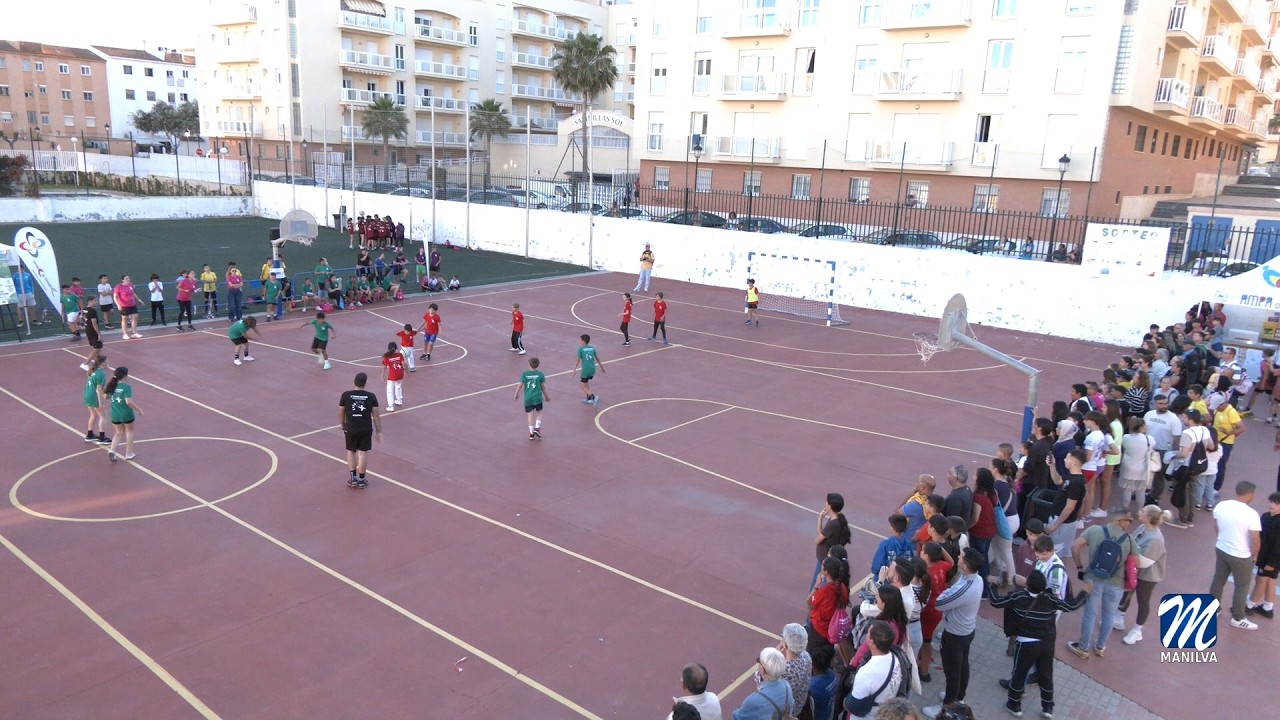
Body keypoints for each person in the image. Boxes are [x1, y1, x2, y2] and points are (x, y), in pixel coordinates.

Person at [989, 570, 1087, 719]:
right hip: (1047, 643)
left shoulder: (1019, 597)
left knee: (1019, 674)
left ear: (1027, 584)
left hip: (1026, 643)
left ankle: (1014, 705)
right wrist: (1084, 593)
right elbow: (1070, 606)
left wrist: (992, 585)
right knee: (1046, 675)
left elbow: (996, 602)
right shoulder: (1050, 599)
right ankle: (1047, 707)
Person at [1067, 507, 1140, 659]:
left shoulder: (1094, 530)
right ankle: (1100, 647)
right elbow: (1137, 563)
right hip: (1116, 583)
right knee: (1109, 616)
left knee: (1089, 614)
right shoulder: (1129, 539)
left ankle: (1083, 648)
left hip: (1092, 579)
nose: (1130, 523)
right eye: (1129, 520)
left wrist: (1080, 567)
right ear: (1120, 521)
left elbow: (1075, 546)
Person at [921, 547, 984, 718]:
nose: (959, 557)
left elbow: (940, 603)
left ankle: (947, 707)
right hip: (967, 631)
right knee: (962, 665)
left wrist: (946, 592)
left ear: (966, 565)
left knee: (952, 673)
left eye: (961, 556)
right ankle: (959, 697)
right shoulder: (976, 579)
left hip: (955, 634)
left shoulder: (965, 587)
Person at [1210, 481, 1263, 630]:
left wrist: (1222, 539)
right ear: (1250, 494)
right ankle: (1238, 618)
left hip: (1222, 548)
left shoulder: (1222, 505)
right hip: (1241, 555)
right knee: (1242, 586)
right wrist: (1254, 555)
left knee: (1218, 580)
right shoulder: (1252, 514)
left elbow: (1216, 526)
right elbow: (1255, 540)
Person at [1117, 505, 1171, 644]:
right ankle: (1119, 617)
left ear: (1148, 518)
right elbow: (1132, 541)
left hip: (1148, 574)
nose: (1139, 512)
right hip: (1135, 567)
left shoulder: (1155, 539)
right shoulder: (1143, 527)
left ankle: (1137, 630)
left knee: (1143, 600)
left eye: (1143, 511)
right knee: (1127, 591)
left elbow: (1143, 562)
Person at [845, 621, 902, 718]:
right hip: (884, 712)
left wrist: (845, 703)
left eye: (868, 632)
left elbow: (853, 706)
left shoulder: (866, 672)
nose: (866, 634)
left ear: (871, 642)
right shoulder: (895, 659)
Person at [754, 623, 810, 717]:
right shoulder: (806, 656)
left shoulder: (783, 671)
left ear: (785, 645)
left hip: (784, 712)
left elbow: (760, 679)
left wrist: (773, 655)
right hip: (799, 703)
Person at [338, 372, 382, 489]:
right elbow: (376, 416)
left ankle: (353, 478)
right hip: (365, 428)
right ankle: (362, 479)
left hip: (351, 428)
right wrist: (379, 431)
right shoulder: (371, 396)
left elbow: (341, 411)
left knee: (351, 451)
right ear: (365, 383)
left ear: (354, 382)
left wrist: (342, 424)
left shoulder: (346, 395)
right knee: (362, 453)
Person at [732, 648, 793, 720]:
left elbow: (737, 717)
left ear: (763, 669)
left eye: (759, 661)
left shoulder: (753, 700)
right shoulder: (786, 686)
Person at [1046, 449, 1086, 555]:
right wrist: (1052, 466)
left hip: (1063, 523)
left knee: (1057, 551)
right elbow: (1058, 480)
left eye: (1067, 458)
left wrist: (1055, 525)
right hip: (1059, 519)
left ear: (1074, 462)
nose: (1064, 460)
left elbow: (1069, 507)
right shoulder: (1071, 475)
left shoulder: (1076, 483)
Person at [1247, 491, 1280, 619]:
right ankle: (1268, 607)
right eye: (1271, 502)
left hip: (1271, 559)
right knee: (1270, 580)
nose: (1272, 505)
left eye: (1276, 503)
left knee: (1260, 580)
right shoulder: (1266, 516)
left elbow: (1278, 546)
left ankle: (1249, 606)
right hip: (1266, 556)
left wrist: (1271, 563)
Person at [812, 493, 852, 589]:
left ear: (829, 506)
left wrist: (820, 519)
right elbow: (822, 534)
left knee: (816, 587)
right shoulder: (837, 519)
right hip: (829, 558)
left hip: (825, 560)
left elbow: (817, 540)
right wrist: (821, 519)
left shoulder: (832, 524)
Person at [1118, 417, 1156, 510]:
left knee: (1127, 490)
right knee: (1141, 491)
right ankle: (1139, 511)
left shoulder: (1126, 438)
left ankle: (1125, 510)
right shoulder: (1149, 439)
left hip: (1128, 468)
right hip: (1143, 468)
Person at [104, 366, 141, 462]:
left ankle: (112, 450)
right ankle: (129, 453)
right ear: (125, 376)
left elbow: (105, 397)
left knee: (118, 432)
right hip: (126, 413)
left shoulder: (111, 385)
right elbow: (128, 402)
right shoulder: (126, 387)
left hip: (114, 413)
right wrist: (139, 409)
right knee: (129, 431)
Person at [516, 356, 549, 440]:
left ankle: (531, 433)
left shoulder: (524, 374)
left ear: (529, 364)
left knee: (530, 414)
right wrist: (546, 396)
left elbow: (520, 385)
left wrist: (516, 394)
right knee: (539, 412)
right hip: (537, 397)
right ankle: (537, 428)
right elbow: (543, 387)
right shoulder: (540, 374)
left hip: (528, 397)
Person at [872, 513, 914, 580]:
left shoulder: (885, 544)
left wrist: (875, 571)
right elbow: (910, 561)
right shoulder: (908, 544)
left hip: (885, 580)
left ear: (893, 528)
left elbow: (877, 565)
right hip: (900, 580)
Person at [82, 355, 110, 445]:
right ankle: (102, 438)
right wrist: (101, 402)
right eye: (107, 361)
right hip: (94, 395)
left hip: (87, 393)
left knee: (93, 414)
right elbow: (99, 389)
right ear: (102, 363)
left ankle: (89, 435)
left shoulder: (93, 370)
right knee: (103, 416)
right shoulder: (101, 374)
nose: (108, 363)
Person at [901, 475, 937, 540]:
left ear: (922, 487)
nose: (916, 484)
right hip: (923, 540)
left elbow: (898, 512)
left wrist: (909, 496)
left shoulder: (916, 504)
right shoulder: (935, 503)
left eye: (917, 482)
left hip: (909, 540)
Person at [574, 333, 606, 406]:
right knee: (586, 382)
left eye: (580, 340)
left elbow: (578, 360)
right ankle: (589, 398)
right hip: (592, 368)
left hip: (586, 369)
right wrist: (602, 367)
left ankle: (592, 396)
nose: (580, 341)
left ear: (583, 341)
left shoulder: (581, 348)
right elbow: (597, 358)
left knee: (582, 385)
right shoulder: (592, 348)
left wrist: (574, 369)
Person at [78, 296, 104, 371]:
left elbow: (81, 318)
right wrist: (99, 334)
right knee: (96, 348)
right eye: (95, 301)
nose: (96, 302)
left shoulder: (85, 310)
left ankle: (98, 364)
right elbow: (94, 323)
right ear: (90, 301)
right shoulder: (92, 311)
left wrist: (83, 325)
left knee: (98, 347)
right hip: (93, 331)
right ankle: (85, 363)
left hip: (88, 330)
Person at [113, 275, 142, 339]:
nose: (128, 279)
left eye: (128, 278)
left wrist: (138, 299)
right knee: (124, 319)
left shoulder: (130, 285)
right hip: (124, 305)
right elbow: (115, 297)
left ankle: (134, 333)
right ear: (123, 280)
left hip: (132, 304)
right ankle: (125, 334)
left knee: (135, 317)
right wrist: (118, 305)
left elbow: (133, 293)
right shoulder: (118, 287)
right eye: (126, 278)